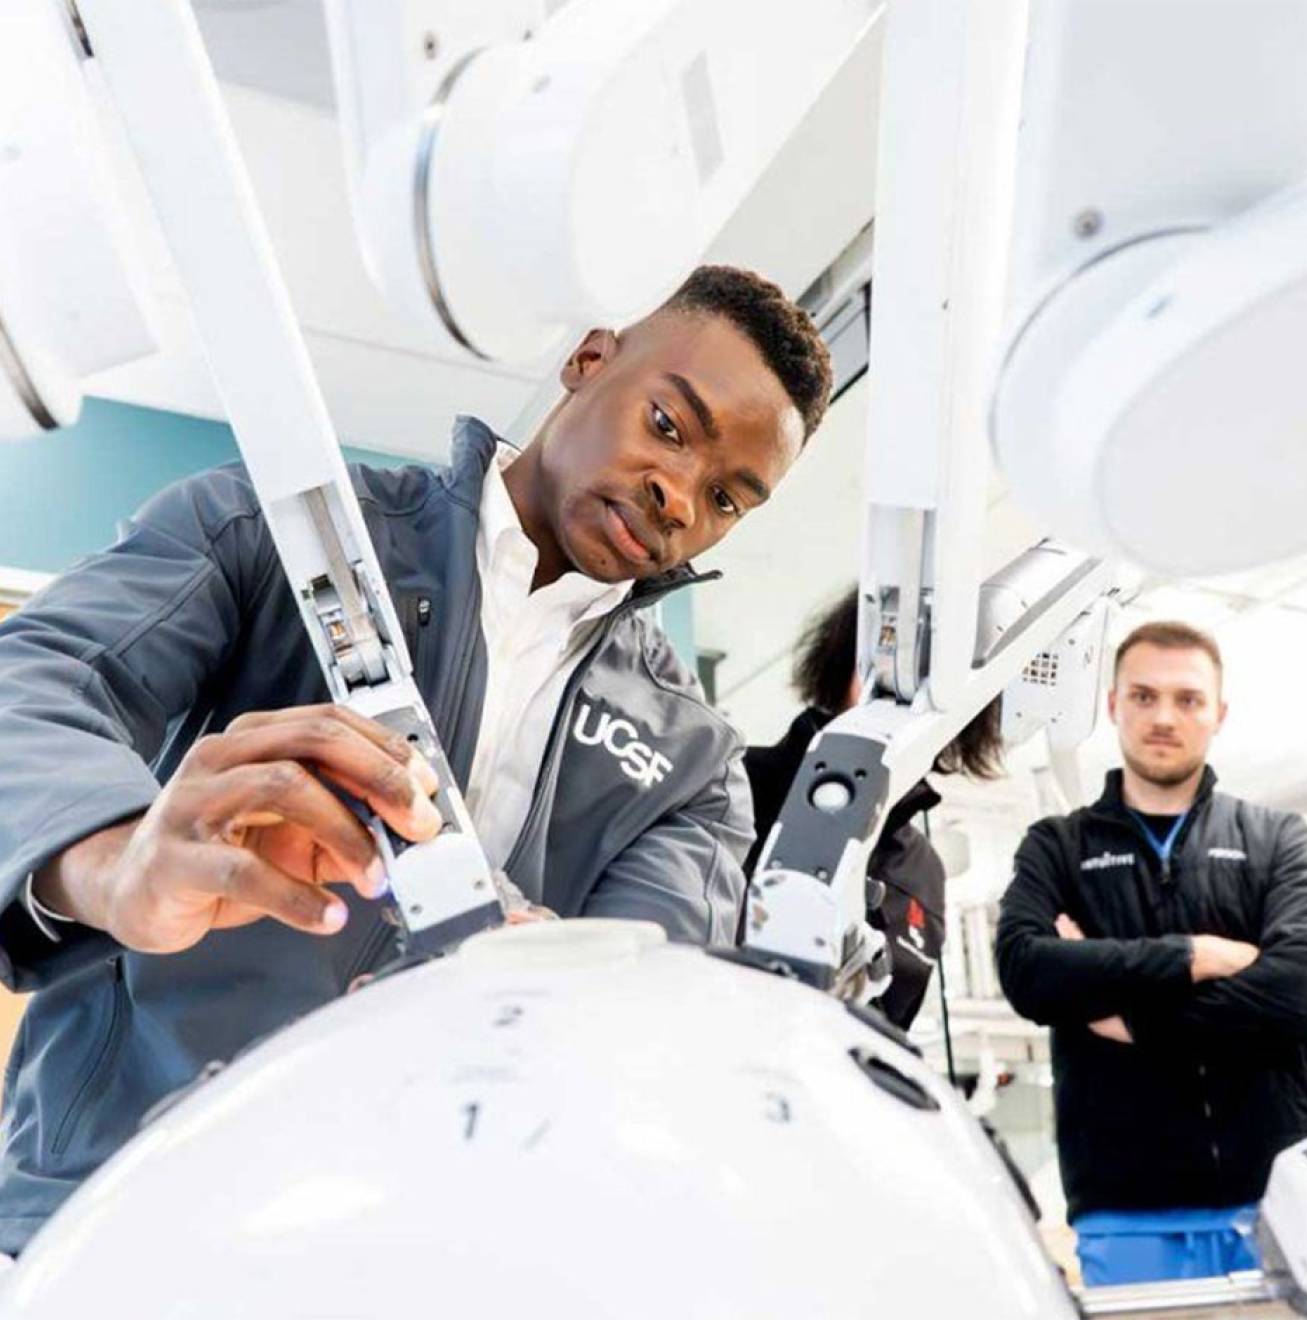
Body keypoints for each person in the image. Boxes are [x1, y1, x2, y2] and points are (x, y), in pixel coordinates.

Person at [0, 265, 834, 1252]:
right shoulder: (278, 531)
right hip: (116, 1206)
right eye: (668, 426)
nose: (678, 495)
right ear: (589, 361)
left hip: (405, 1239)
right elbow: (37, 686)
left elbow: (634, 1015)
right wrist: (111, 863)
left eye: (729, 498)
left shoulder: (694, 768)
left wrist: (549, 996)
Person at [995, 620, 1307, 1286]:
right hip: (1128, 1207)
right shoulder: (1058, 848)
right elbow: (1029, 971)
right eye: (1143, 696)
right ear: (1114, 706)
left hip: (1286, 1196)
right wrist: (1191, 955)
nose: (1164, 716)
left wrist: (1125, 1014)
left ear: (1218, 714)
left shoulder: (1277, 839)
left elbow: (1303, 988)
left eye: (1188, 699)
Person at [744, 585, 1002, 1029]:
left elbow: (888, 1024)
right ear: (846, 662)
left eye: (937, 679)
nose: (912, 695)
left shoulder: (921, 870)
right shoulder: (735, 782)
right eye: (891, 666)